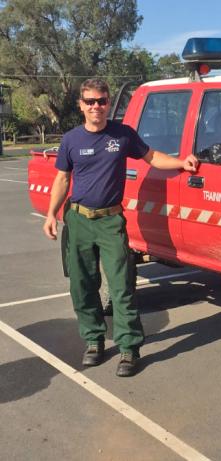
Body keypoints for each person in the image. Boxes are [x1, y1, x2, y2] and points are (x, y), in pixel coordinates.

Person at [43, 78, 198, 377]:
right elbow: (62, 179)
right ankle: (93, 341)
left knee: (122, 287)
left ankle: (129, 348)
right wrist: (51, 214)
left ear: (107, 102)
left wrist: (181, 162)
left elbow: (152, 157)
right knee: (82, 285)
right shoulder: (71, 140)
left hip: (112, 221)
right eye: (90, 102)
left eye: (101, 101)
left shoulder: (123, 135)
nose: (96, 107)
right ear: (81, 105)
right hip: (78, 220)